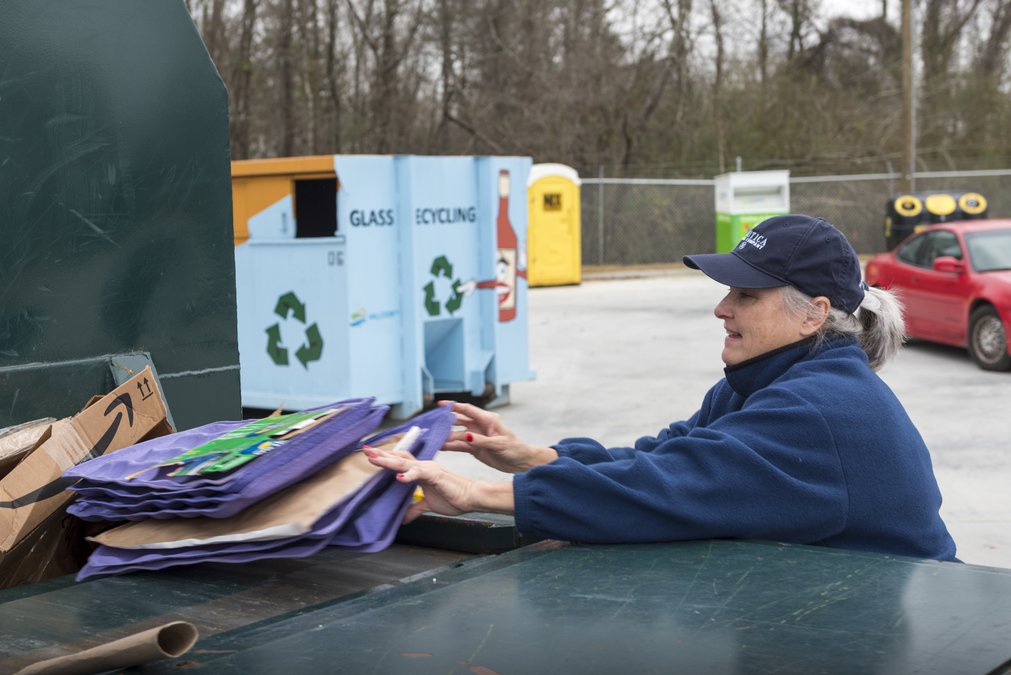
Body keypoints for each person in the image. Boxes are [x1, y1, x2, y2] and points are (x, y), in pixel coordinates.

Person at [364, 214, 958, 561]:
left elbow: (670, 489)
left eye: (746, 295)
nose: (722, 309)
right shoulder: (765, 382)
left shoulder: (818, 409)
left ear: (814, 313)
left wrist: (478, 496)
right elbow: (667, 458)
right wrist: (535, 458)